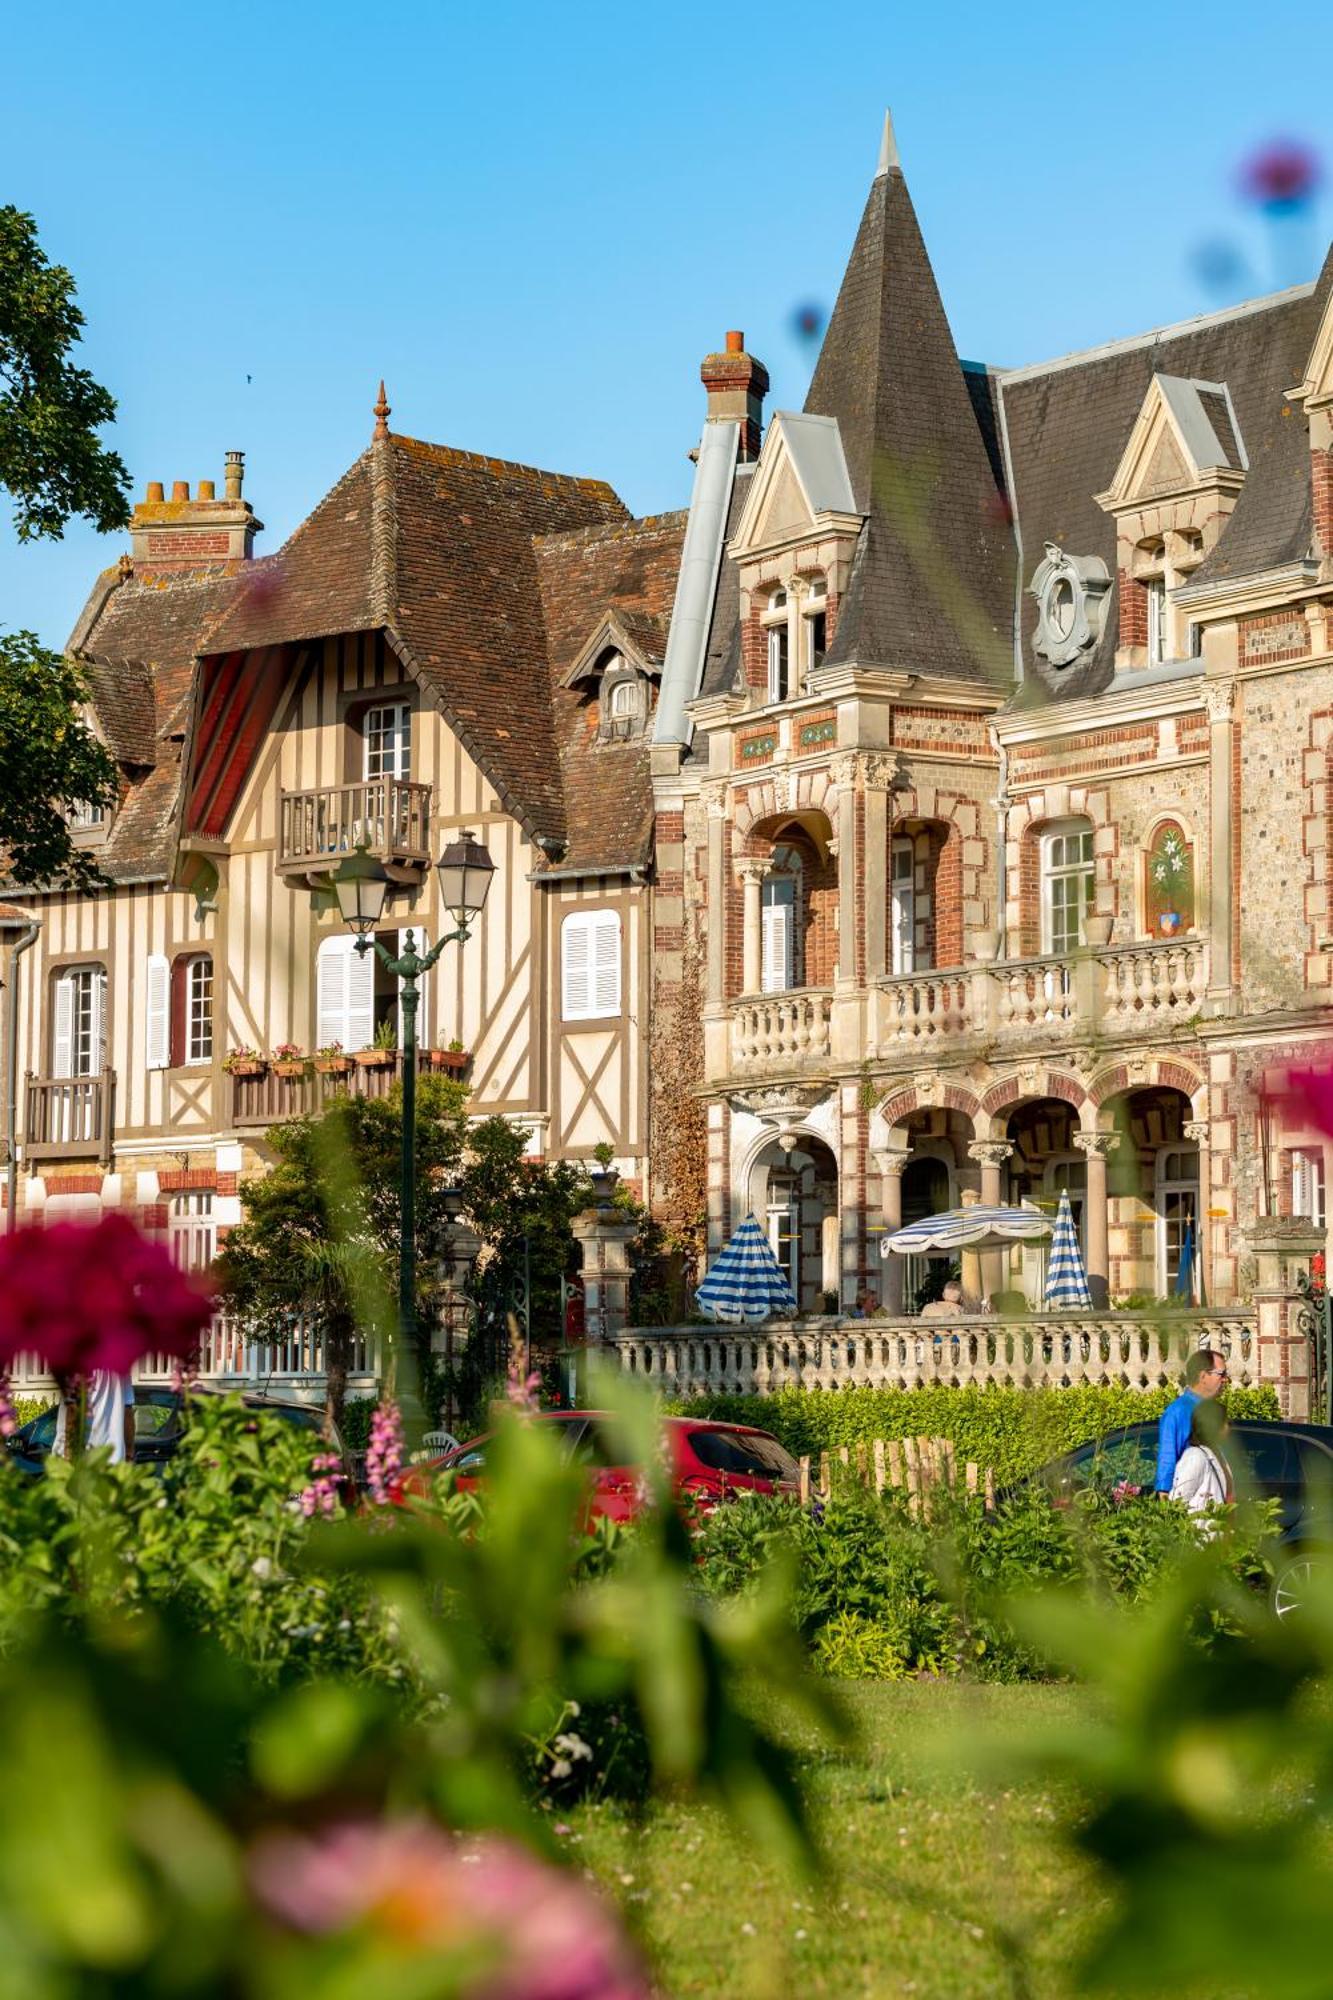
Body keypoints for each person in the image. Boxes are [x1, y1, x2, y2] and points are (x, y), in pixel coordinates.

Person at [1154, 1347, 1228, 1495]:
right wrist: (1167, 1506)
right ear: (1203, 1376)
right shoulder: (1177, 1412)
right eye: (1221, 1374)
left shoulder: (1215, 1410)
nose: (1226, 1379)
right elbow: (1167, 1462)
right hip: (1195, 1508)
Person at [53, 1371, 136, 1464]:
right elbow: (127, 1410)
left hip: (83, 1460)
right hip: (114, 1460)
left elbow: (74, 1409)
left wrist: (68, 1457)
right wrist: (129, 1454)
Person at [1170, 1397, 1232, 1515]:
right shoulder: (1196, 1457)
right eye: (1226, 1422)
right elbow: (1177, 1502)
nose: (1229, 1427)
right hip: (1201, 1532)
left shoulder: (1217, 1453)